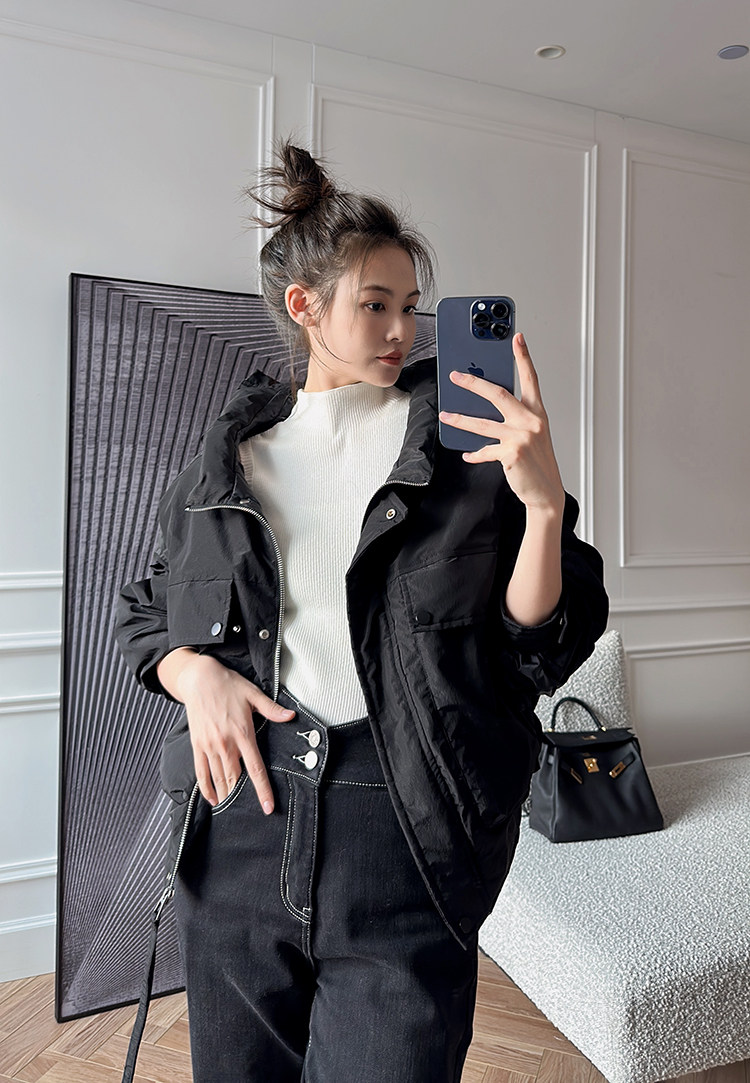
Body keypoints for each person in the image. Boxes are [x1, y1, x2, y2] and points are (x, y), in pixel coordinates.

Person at [116, 140, 608, 1083]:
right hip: (238, 816)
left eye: (410, 307)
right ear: (306, 308)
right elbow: (148, 605)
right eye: (375, 305)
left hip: (403, 825)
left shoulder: (466, 456)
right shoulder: (227, 463)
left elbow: (536, 645)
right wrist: (193, 673)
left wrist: (543, 506)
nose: (400, 330)